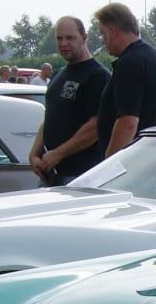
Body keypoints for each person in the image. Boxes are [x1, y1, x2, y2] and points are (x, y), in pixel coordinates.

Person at [28, 15, 111, 185]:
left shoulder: (97, 76)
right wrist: (34, 154)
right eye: (59, 38)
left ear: (83, 38)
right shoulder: (58, 74)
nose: (64, 43)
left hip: (80, 174)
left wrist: (58, 154)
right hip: (51, 171)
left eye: (70, 38)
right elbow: (50, 118)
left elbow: (96, 126)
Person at [93, 1, 156, 157]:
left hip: (136, 164)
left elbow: (128, 122)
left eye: (102, 34)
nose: (102, 41)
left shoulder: (129, 63)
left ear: (112, 31)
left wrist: (110, 165)